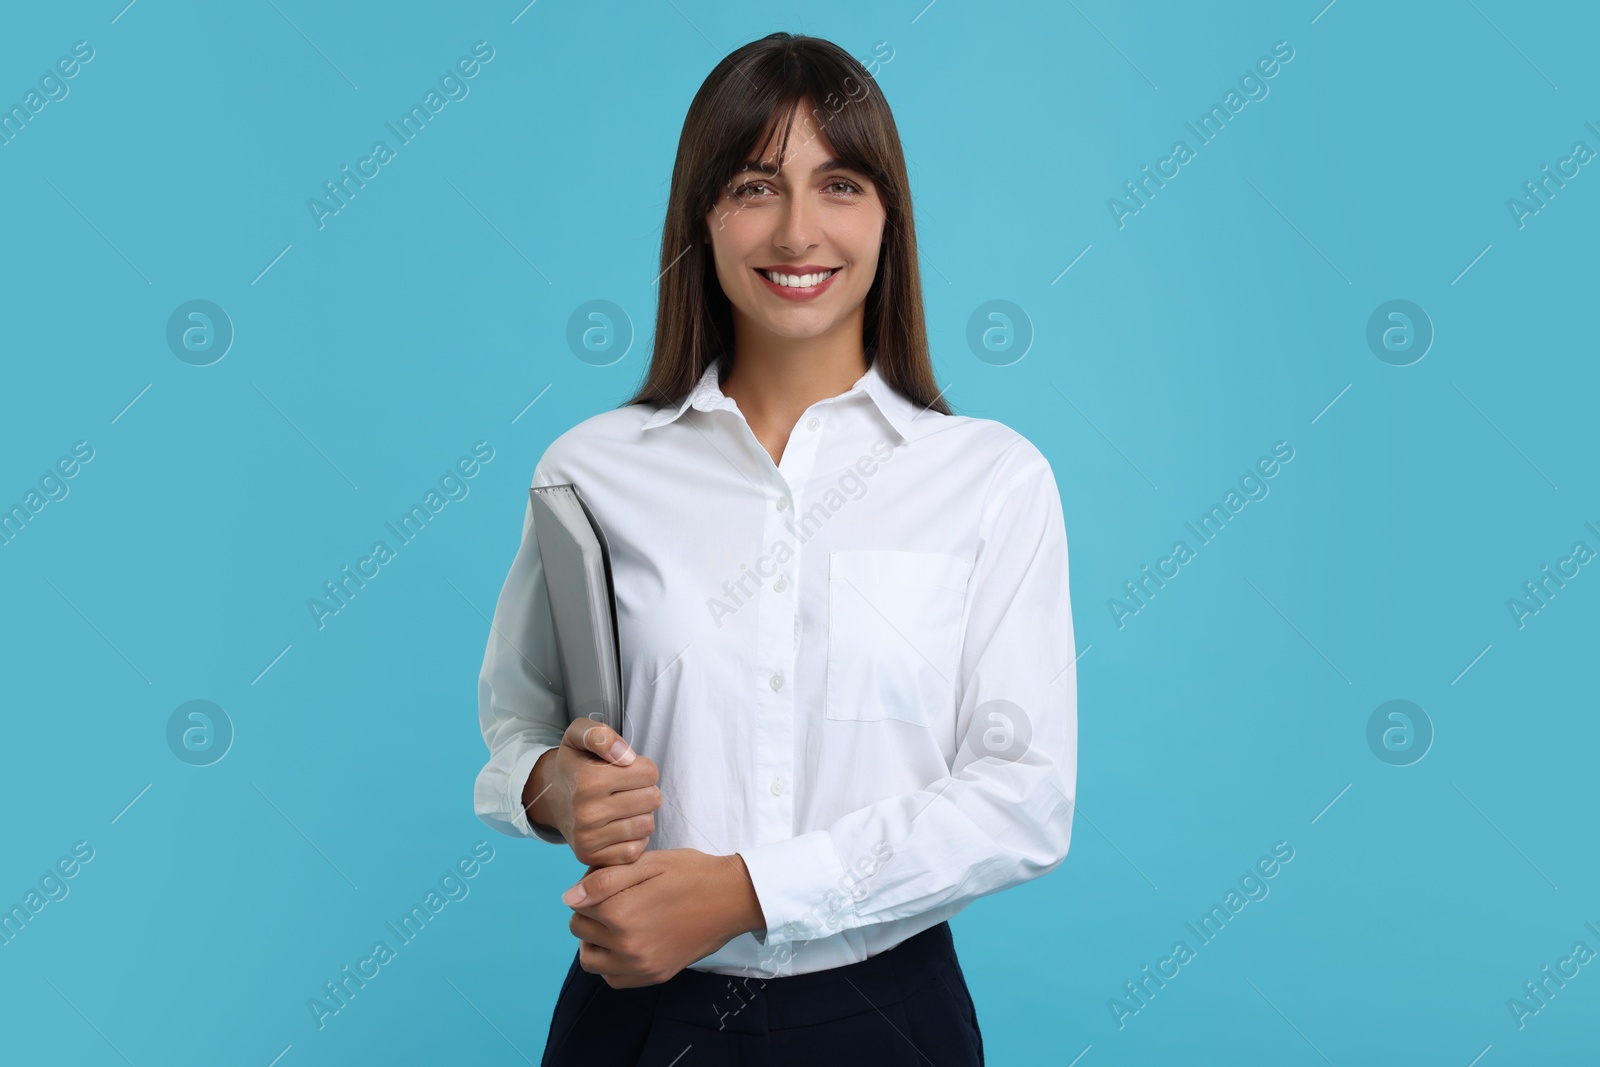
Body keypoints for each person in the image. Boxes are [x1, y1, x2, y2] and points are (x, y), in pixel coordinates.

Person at [473, 31, 1077, 1066]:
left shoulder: (991, 478)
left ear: (888, 216)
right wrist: (552, 788)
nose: (799, 231)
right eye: (755, 185)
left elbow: (1022, 796)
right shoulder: (590, 469)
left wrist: (746, 888)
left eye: (838, 183)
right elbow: (518, 722)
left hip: (887, 1021)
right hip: (637, 1015)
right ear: (701, 217)